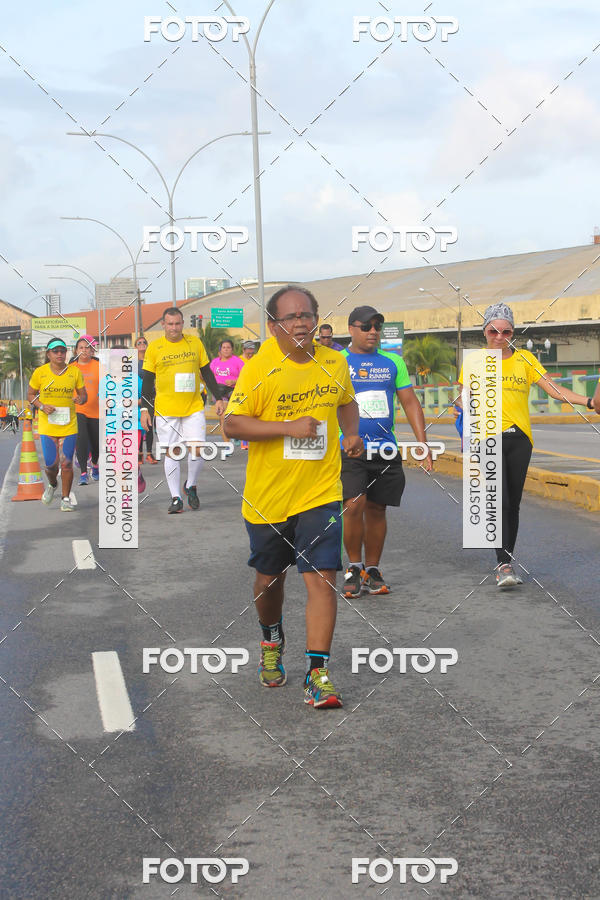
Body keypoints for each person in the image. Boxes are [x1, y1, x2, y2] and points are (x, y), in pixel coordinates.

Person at [224, 285, 363, 709]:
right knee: (269, 582)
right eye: (291, 317)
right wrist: (287, 427)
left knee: (323, 577)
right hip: (268, 497)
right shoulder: (259, 368)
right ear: (273, 327)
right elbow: (232, 425)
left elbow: (346, 403)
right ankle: (271, 638)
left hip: (320, 492)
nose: (301, 322)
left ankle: (317, 672)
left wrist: (352, 432)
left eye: (308, 315)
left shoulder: (334, 363)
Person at [457, 302, 593, 587]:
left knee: (513, 504)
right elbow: (464, 400)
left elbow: (553, 390)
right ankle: (503, 565)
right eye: (494, 331)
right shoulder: (473, 361)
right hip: (486, 438)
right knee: (500, 500)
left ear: (512, 332)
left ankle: (506, 558)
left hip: (521, 438)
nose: (500, 336)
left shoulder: (526, 359)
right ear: (485, 331)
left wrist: (589, 402)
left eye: (506, 331)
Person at [340, 305, 432, 598]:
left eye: (377, 327)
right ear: (351, 329)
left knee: (377, 509)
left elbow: (410, 402)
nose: (372, 332)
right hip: (350, 447)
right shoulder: (337, 361)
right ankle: (354, 567)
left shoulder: (393, 362)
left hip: (385, 448)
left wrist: (422, 443)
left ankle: (372, 569)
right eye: (366, 327)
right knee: (354, 504)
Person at [141, 307, 226, 514]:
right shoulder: (155, 348)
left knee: (197, 449)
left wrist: (218, 397)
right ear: (163, 325)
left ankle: (191, 485)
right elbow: (147, 382)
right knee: (173, 453)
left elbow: (206, 372)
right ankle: (176, 498)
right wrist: (145, 409)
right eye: (170, 324)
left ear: (182, 324)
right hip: (166, 409)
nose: (174, 328)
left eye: (177, 323)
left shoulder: (194, 343)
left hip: (193, 406)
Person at [27, 338, 87, 512]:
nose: (60, 354)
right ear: (48, 354)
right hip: (47, 425)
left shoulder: (74, 372)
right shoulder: (40, 372)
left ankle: (66, 498)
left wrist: (80, 399)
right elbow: (30, 394)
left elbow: (84, 396)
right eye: (55, 351)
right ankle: (53, 484)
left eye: (62, 351)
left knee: (67, 463)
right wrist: (41, 406)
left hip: (69, 424)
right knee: (51, 465)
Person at [71, 335, 100, 485]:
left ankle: (95, 465)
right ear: (76, 350)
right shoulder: (71, 368)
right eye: (81, 347)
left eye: (87, 347)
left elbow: (110, 385)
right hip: (78, 409)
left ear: (91, 350)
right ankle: (83, 472)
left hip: (97, 411)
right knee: (81, 438)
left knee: (97, 444)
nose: (84, 350)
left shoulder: (100, 365)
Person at [210, 339, 245, 440]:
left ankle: (235, 434)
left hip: (233, 391)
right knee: (223, 417)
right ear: (220, 350)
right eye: (224, 348)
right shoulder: (215, 362)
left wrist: (234, 381)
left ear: (232, 350)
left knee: (233, 417)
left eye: (228, 347)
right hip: (219, 392)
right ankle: (227, 445)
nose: (226, 350)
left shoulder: (238, 361)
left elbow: (246, 377)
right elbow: (208, 376)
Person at [135, 336, 157, 464]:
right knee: (138, 426)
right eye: (139, 343)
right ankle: (139, 454)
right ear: (135, 347)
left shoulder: (151, 360)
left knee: (149, 425)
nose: (142, 344)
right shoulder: (132, 363)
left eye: (144, 342)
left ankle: (149, 453)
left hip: (150, 396)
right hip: (136, 397)